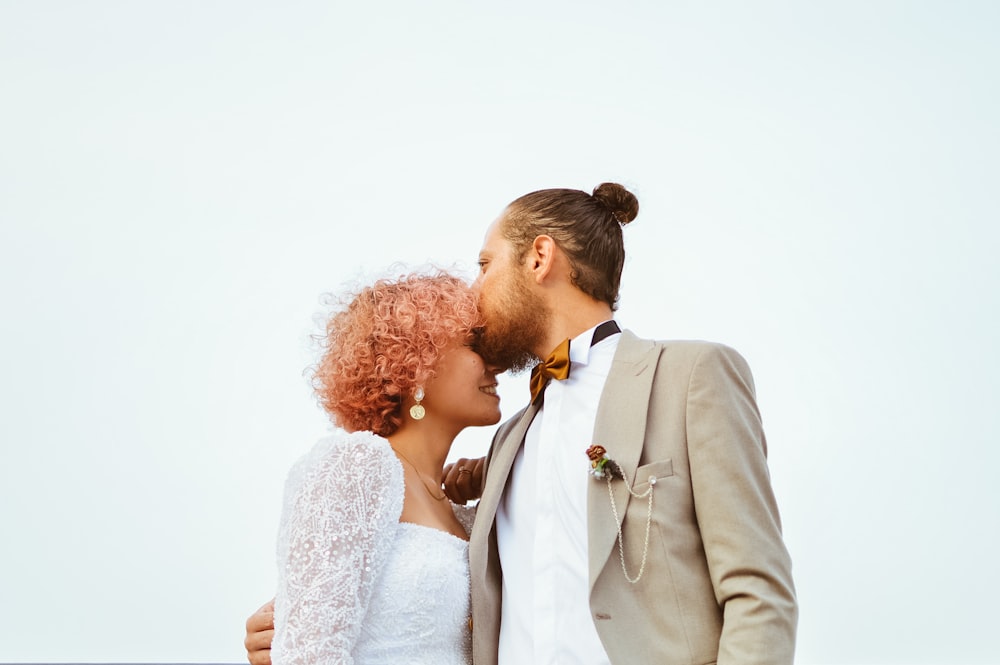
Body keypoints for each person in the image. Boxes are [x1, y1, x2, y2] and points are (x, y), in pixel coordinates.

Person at [247, 183, 798, 664]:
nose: (475, 289)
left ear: (539, 258)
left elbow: (756, 586)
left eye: (485, 264)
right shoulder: (511, 438)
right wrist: (290, 624)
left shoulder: (690, 376)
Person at [265, 270, 501, 665]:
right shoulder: (355, 466)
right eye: (474, 343)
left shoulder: (467, 517)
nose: (496, 363)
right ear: (416, 364)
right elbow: (309, 653)